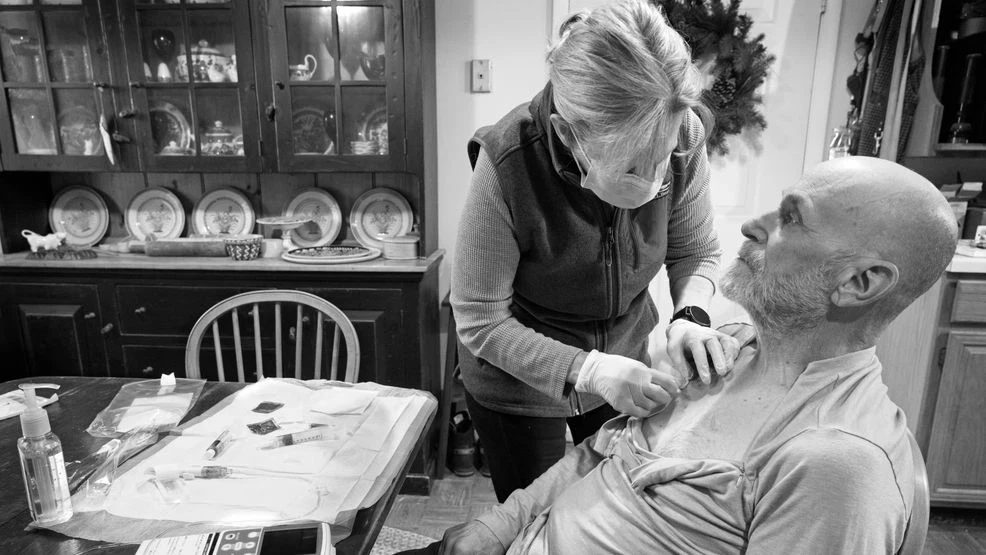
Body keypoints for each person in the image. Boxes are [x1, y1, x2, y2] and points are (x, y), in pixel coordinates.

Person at [428, 157, 958, 554]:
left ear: (860, 282)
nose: (753, 224)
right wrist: (498, 525)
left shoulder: (837, 465)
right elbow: (599, 454)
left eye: (792, 219)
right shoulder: (727, 350)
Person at [450, 0, 748, 503]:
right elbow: (481, 321)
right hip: (518, 377)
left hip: (625, 357)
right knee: (535, 516)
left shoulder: (683, 132)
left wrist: (691, 316)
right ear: (569, 135)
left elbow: (695, 250)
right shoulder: (508, 162)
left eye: (662, 159)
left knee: (612, 505)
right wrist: (588, 370)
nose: (654, 181)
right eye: (632, 167)